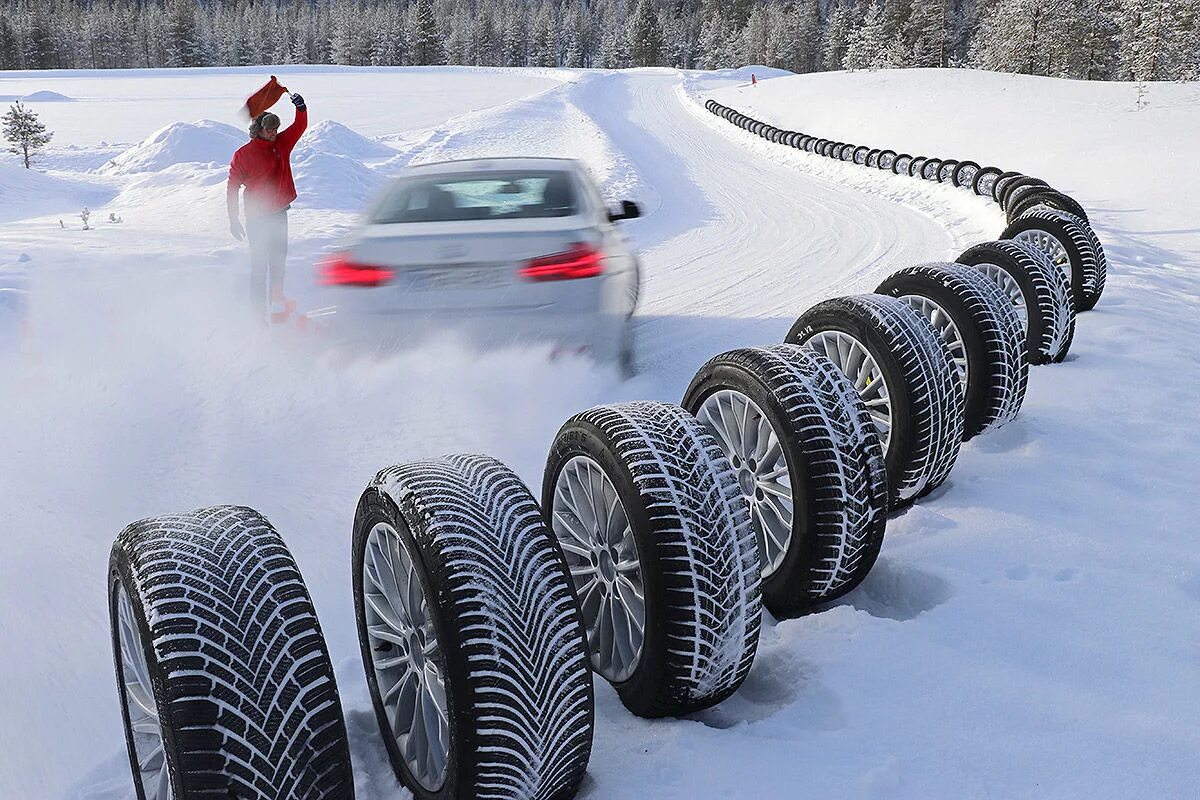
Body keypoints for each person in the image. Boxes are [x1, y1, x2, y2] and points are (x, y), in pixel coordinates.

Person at [226, 92, 307, 323]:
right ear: (258, 130)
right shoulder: (243, 155)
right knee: (260, 267)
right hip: (257, 219)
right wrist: (233, 219)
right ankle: (257, 315)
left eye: (275, 129)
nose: (274, 133)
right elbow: (232, 187)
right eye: (269, 129)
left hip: (279, 215)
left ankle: (277, 309)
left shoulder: (282, 144)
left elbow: (299, 127)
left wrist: (301, 108)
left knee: (278, 265)